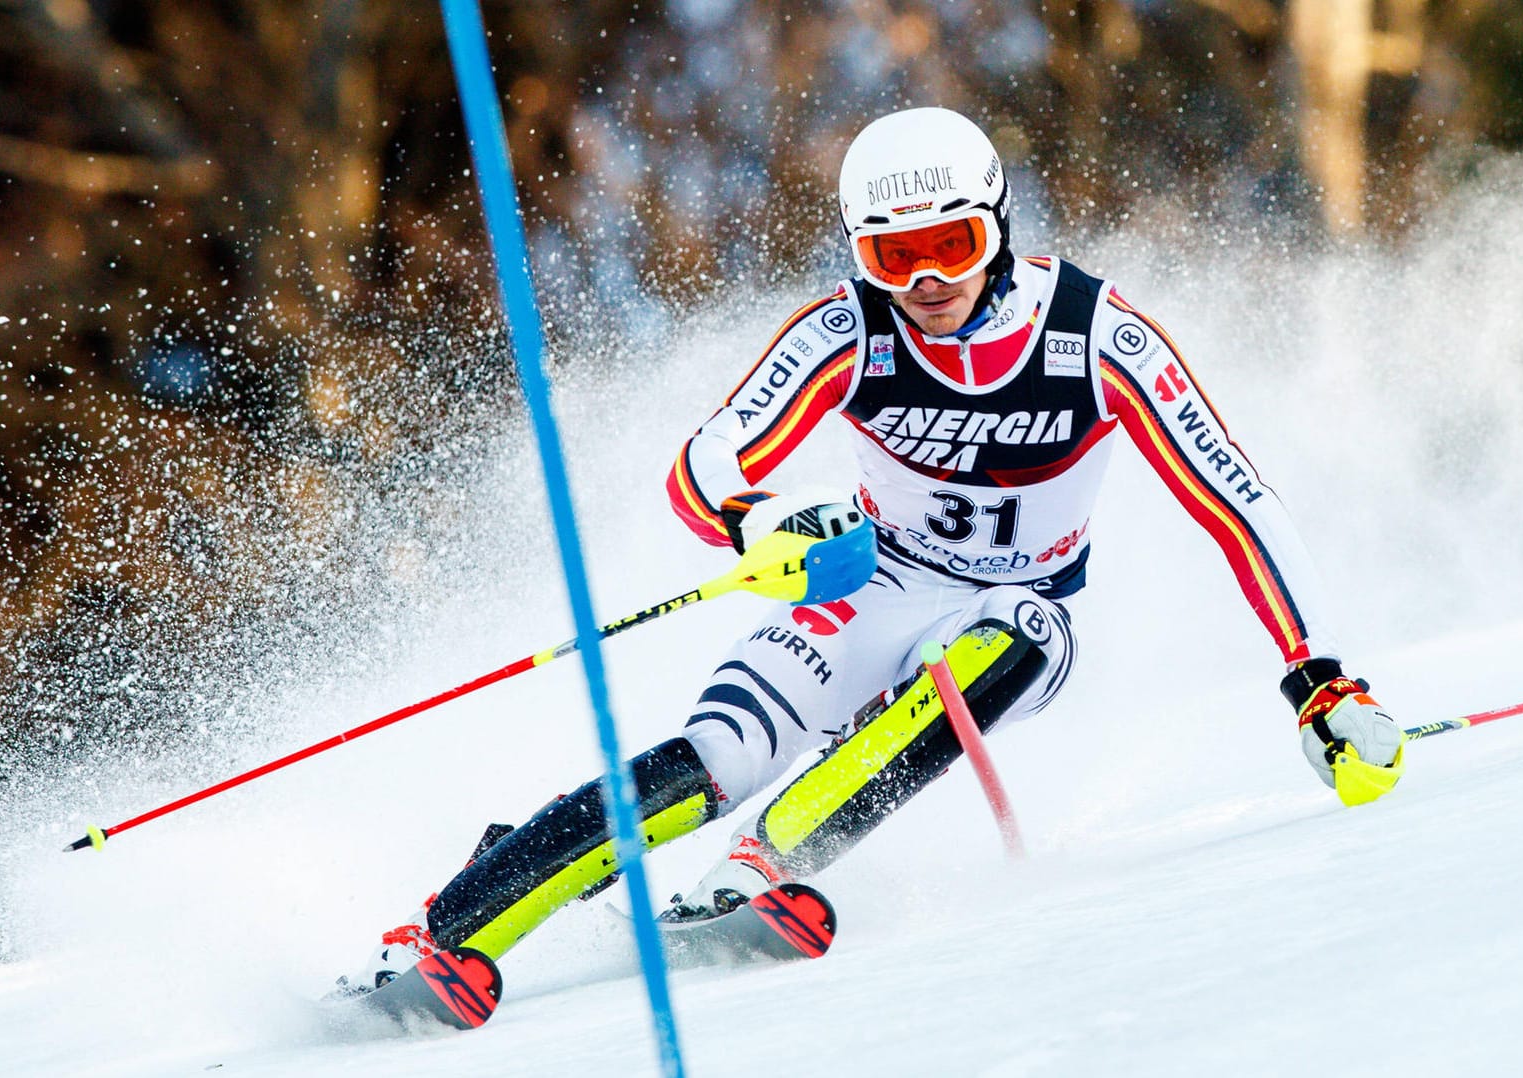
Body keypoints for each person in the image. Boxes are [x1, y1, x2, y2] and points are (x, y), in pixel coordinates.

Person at [336, 106, 1404, 992]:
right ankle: (443, 925)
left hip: (1008, 611)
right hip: (870, 590)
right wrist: (761, 524)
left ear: (997, 227)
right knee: (718, 758)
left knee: (1020, 630)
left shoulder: (1093, 336)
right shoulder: (849, 332)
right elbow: (701, 468)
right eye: (896, 255)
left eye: (953, 246)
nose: (928, 279)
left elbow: (1237, 500)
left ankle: (767, 860)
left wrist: (1317, 679)